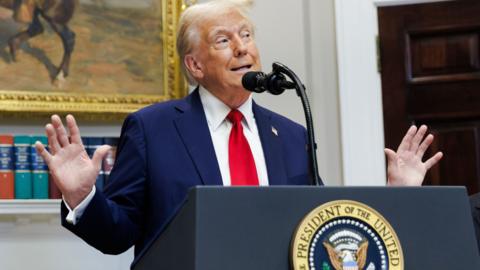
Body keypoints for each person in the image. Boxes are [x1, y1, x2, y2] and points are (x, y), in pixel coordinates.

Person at [34, 0, 443, 265]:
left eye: (246, 36)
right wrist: (81, 196)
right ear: (195, 65)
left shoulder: (291, 133)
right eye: (224, 40)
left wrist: (398, 197)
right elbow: (118, 235)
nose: (243, 48)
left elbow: (321, 225)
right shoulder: (152, 129)